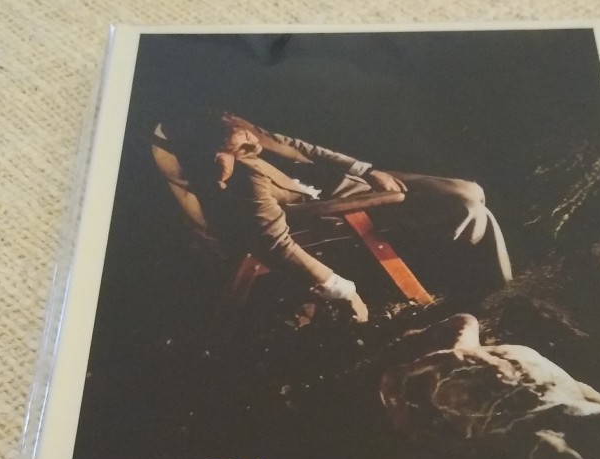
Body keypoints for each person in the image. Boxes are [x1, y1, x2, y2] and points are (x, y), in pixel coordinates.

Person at [167, 112, 512, 322]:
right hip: (338, 207)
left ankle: (493, 286)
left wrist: (368, 170)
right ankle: (495, 291)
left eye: (248, 136)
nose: (253, 144)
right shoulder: (245, 177)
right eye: (242, 147)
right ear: (221, 153)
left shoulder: (239, 130)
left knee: (470, 192)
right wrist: (340, 288)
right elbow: (272, 241)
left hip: (348, 182)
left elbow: (302, 148)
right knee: (466, 206)